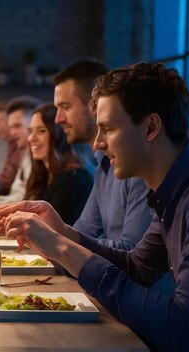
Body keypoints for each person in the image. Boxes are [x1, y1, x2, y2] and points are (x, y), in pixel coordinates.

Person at [0, 62, 189, 351]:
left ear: (151, 127)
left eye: (108, 129)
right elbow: (136, 267)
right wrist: (65, 233)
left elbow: (186, 332)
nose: (97, 144)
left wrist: (64, 248)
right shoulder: (173, 187)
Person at [53, 59, 152, 249]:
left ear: (93, 106)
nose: (58, 119)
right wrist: (52, 234)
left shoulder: (139, 165)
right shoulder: (103, 164)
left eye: (65, 107)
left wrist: (58, 240)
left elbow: (132, 254)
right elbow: (84, 232)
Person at [22, 103, 92, 225]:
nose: (31, 138)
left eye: (41, 131)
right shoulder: (45, 174)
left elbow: (41, 226)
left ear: (58, 135)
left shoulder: (73, 178)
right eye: (30, 131)